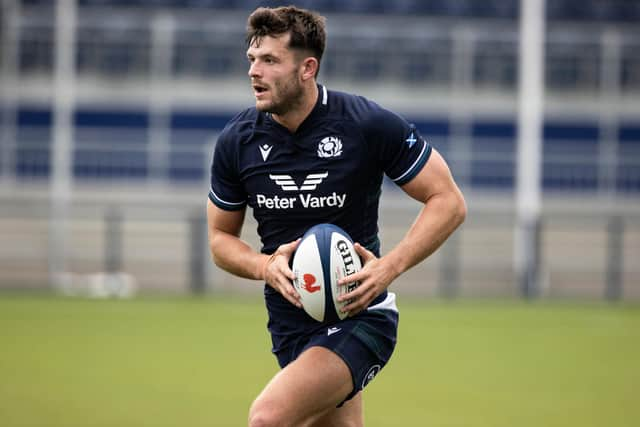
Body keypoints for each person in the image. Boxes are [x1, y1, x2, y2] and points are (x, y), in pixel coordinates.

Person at [207, 6, 466, 427]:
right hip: (290, 324)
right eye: (252, 59)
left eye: (270, 60)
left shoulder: (365, 124)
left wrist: (388, 268)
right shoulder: (237, 142)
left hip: (360, 315)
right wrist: (265, 265)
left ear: (307, 67)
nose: (255, 71)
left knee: (267, 418)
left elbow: (448, 200)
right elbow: (220, 240)